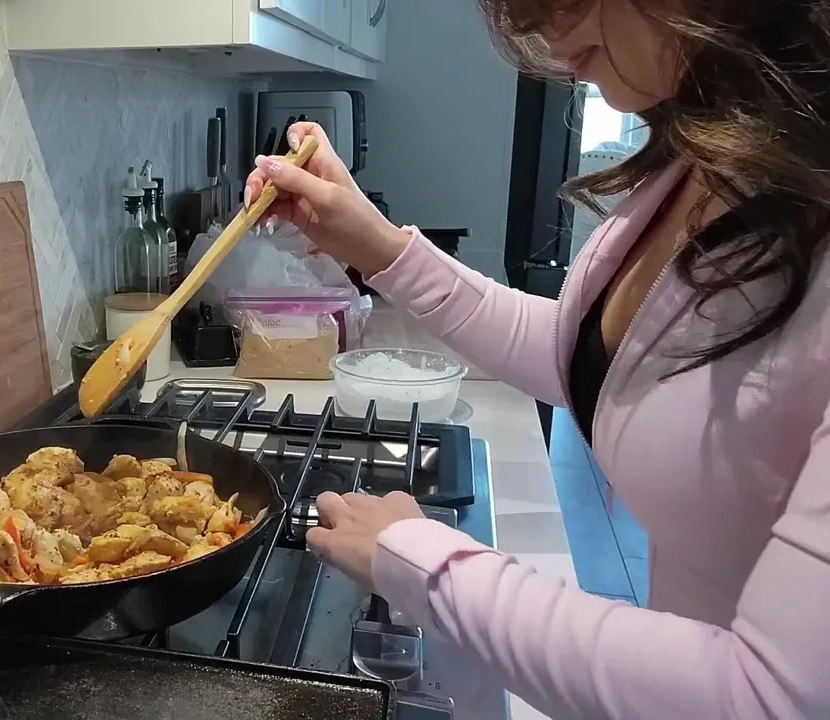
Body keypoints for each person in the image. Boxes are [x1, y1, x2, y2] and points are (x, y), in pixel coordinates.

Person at [243, 1, 830, 718]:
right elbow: (598, 361)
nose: (531, 24)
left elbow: (770, 699)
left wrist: (420, 563)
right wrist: (372, 243)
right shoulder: (710, 158)